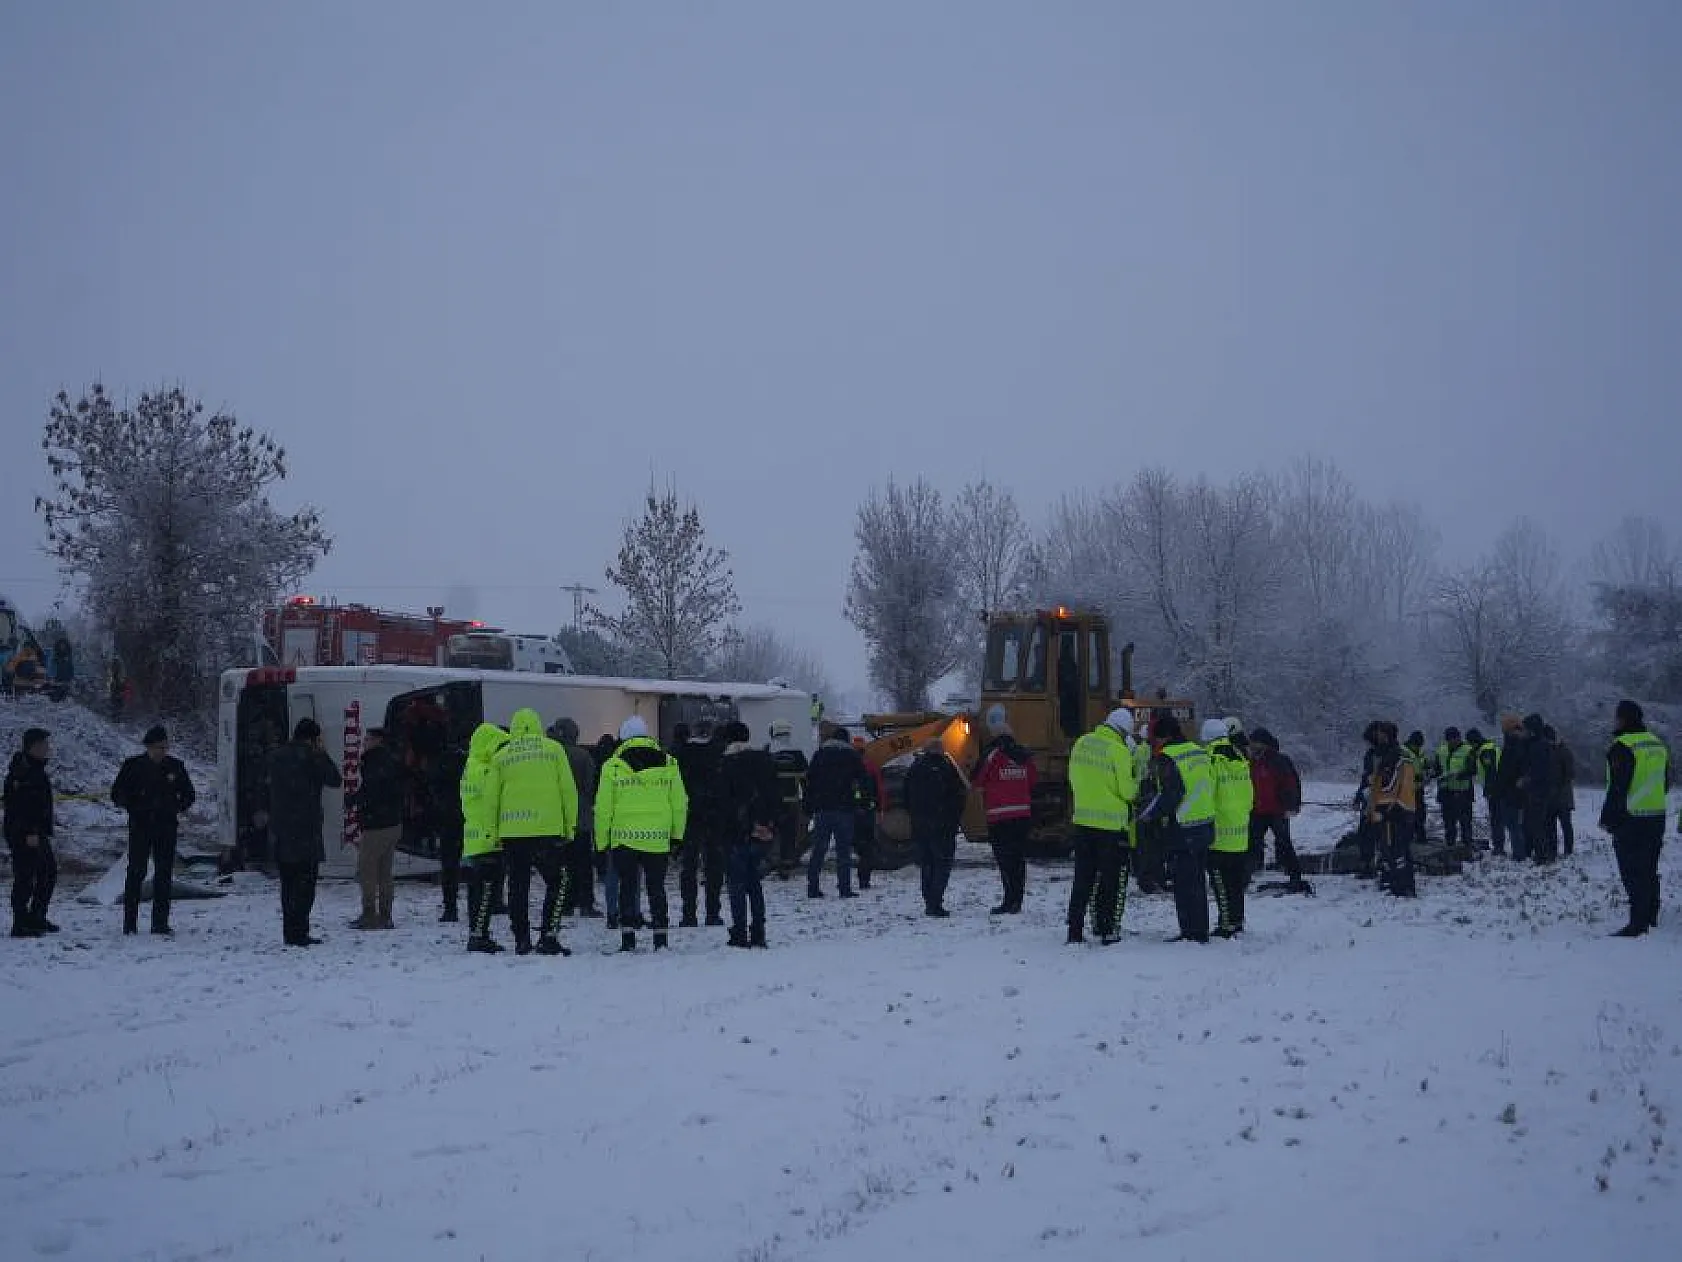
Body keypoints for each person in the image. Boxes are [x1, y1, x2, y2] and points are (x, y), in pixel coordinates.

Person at [596, 716, 688, 952]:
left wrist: (602, 841)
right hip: (657, 838)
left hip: (624, 838)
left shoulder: (612, 766)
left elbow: (603, 807)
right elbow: (679, 803)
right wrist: (676, 836)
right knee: (656, 887)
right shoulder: (669, 763)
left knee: (628, 886)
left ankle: (628, 938)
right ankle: (660, 938)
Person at [494, 708, 579, 957]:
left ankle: (521, 939)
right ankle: (549, 936)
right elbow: (568, 792)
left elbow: (492, 799)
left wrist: (493, 832)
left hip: (513, 832)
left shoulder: (502, 756)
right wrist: (569, 826)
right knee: (558, 882)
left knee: (518, 886)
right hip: (547, 830)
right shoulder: (553, 750)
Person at [111, 725, 197, 936]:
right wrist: (133, 805)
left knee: (164, 874)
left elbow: (188, 793)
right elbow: (117, 794)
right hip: (141, 825)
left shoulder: (175, 767)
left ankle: (160, 922)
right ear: (149, 747)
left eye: (165, 747)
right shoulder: (133, 767)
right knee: (136, 872)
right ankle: (130, 922)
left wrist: (176, 807)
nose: (162, 752)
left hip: (166, 827)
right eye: (159, 748)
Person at [266, 717, 343, 947]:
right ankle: (300, 931)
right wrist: (322, 753)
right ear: (314, 739)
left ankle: (289, 930)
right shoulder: (313, 758)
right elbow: (335, 780)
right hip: (306, 830)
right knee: (306, 884)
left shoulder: (276, 756)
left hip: (282, 829)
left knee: (287, 884)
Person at [1138, 716, 1216, 942]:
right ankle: (1199, 929)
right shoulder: (1198, 751)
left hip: (1183, 827)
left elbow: (1171, 793)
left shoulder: (1169, 757)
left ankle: (1190, 932)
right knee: (1198, 882)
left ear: (1164, 737)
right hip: (1205, 823)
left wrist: (1147, 815)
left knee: (1183, 884)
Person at [1598, 699, 1669, 937]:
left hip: (1631, 818)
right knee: (1649, 867)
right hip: (1657, 816)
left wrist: (1608, 818)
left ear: (1623, 719)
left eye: (1616, 716)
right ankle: (1651, 912)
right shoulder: (1658, 744)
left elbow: (1618, 787)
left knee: (1631, 871)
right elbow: (1666, 782)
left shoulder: (1622, 746)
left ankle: (1637, 924)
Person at [1065, 708, 1136, 944]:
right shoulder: (1119, 751)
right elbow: (1128, 791)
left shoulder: (1081, 743)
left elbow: (1073, 779)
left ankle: (1074, 930)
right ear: (1124, 731)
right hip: (1111, 827)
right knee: (1110, 880)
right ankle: (1106, 930)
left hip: (1083, 822)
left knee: (1082, 879)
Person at [717, 720, 781, 947]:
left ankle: (740, 932)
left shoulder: (727, 764)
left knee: (736, 885)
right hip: (763, 833)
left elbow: (725, 804)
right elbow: (775, 796)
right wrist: (768, 825)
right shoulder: (765, 761)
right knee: (755, 884)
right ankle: (759, 931)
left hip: (737, 833)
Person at [972, 707, 1038, 915]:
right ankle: (1017, 900)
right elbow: (1033, 780)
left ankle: (1008, 900)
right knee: (1018, 859)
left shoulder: (993, 755)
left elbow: (977, 780)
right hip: (1022, 815)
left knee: (1004, 860)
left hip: (999, 816)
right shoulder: (1024, 755)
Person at [902, 738, 967, 918]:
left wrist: (915, 817)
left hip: (921, 825)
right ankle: (935, 902)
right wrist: (953, 818)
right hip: (943, 826)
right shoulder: (947, 769)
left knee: (927, 864)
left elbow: (905, 796)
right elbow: (958, 796)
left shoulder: (915, 769)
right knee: (942, 864)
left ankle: (929, 899)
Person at [460, 723, 509, 953]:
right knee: (487, 892)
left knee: (476, 891)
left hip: (474, 837)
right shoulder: (488, 770)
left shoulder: (471, 766)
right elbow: (493, 804)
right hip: (489, 838)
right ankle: (479, 936)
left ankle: (477, 933)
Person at [802, 724, 866, 899]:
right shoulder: (852, 756)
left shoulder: (819, 755)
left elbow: (809, 781)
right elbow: (861, 782)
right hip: (844, 809)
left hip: (822, 809)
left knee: (819, 850)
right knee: (843, 851)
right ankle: (844, 888)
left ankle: (813, 887)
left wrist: (809, 805)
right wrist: (859, 802)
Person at [1204, 718, 1254, 937]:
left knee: (1220, 884)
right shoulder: (1241, 758)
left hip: (1219, 833)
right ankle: (1237, 920)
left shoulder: (1211, 760)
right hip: (1240, 832)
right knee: (1235, 882)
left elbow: (1207, 794)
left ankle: (1225, 924)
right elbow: (1250, 795)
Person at [4, 728, 56, 938]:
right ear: (33, 747)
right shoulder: (21, 771)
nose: (47, 748)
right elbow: (19, 807)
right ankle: (20, 922)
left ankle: (36, 916)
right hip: (24, 833)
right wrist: (29, 832)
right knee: (25, 877)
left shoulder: (36, 769)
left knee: (47, 873)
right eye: (43, 744)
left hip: (37, 832)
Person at [673, 722, 727, 927]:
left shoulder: (681, 754)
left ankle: (689, 915)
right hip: (713, 816)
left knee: (689, 867)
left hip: (689, 815)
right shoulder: (718, 753)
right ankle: (713, 913)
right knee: (713, 867)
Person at [1247, 727, 1308, 890]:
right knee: (1252, 843)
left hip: (1277, 810)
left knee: (1283, 843)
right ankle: (1245, 875)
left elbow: (1291, 784)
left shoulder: (1279, 761)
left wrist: (1292, 805)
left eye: (1254, 742)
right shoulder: (1251, 761)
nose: (1251, 746)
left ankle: (1294, 874)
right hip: (1257, 810)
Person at [551, 718, 602, 916]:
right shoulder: (584, 756)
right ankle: (586, 903)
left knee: (563, 864)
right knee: (583, 863)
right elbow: (590, 786)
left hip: (559, 817)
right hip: (581, 817)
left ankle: (565, 902)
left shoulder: (553, 755)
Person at [1367, 721, 1417, 897]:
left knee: (1397, 848)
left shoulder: (1397, 757)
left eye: (1381, 733)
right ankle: (1393, 879)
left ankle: (1402, 884)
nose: (1377, 737)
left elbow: (1394, 784)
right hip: (1392, 806)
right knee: (1390, 847)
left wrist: (1386, 805)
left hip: (1396, 808)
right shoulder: (1389, 755)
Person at [434, 738, 468, 922]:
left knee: (449, 866)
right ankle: (478, 904)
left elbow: (434, 789)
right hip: (469, 818)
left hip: (449, 819)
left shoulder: (442, 764)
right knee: (475, 866)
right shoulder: (470, 763)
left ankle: (450, 907)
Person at [1518, 713, 1556, 864]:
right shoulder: (1535, 744)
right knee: (1535, 823)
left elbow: (1539, 771)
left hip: (1538, 791)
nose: (1523, 732)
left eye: (1525, 729)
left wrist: (1526, 780)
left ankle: (1541, 855)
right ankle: (1539, 853)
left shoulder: (1538, 746)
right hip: (1537, 790)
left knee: (1538, 824)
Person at [1434, 727, 1476, 852]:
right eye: (1449, 739)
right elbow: (1437, 769)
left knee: (1465, 821)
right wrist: (1436, 774)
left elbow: (1473, 769)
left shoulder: (1468, 750)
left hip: (1463, 791)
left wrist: (1459, 774)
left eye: (1454, 738)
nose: (1452, 741)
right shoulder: (1441, 751)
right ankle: (1450, 844)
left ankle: (1467, 845)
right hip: (1446, 791)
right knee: (1448, 821)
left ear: (1459, 737)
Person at [1494, 715, 1529, 860]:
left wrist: (1502, 785)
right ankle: (1520, 851)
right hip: (1512, 790)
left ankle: (1519, 853)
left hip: (1511, 791)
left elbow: (1509, 769)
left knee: (1513, 823)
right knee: (1513, 823)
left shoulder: (1513, 745)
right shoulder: (1518, 744)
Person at [852, 739, 884, 891]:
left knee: (855, 845)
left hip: (851, 813)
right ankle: (864, 880)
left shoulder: (847, 767)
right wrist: (880, 809)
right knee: (867, 848)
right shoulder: (870, 766)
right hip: (868, 812)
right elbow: (879, 789)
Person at [1545, 724, 1576, 858]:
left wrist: (1557, 785)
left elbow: (1570, 773)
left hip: (1561, 795)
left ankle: (1567, 850)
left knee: (1564, 825)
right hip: (1557, 795)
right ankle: (1555, 850)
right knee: (1553, 824)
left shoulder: (1563, 751)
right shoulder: (1562, 750)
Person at [1468, 727, 1499, 853]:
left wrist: (1488, 790)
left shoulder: (1485, 751)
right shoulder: (1489, 748)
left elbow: (1490, 771)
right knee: (1497, 817)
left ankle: (1499, 846)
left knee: (1496, 818)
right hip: (1498, 786)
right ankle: (1499, 845)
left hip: (1494, 788)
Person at [1403, 731, 1432, 844]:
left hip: (1418, 788)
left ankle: (1420, 836)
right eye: (1416, 745)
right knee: (1408, 815)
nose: (1418, 747)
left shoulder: (1420, 753)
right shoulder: (1403, 752)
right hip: (1406, 790)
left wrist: (1428, 770)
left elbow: (1423, 766)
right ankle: (1408, 838)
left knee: (1420, 813)